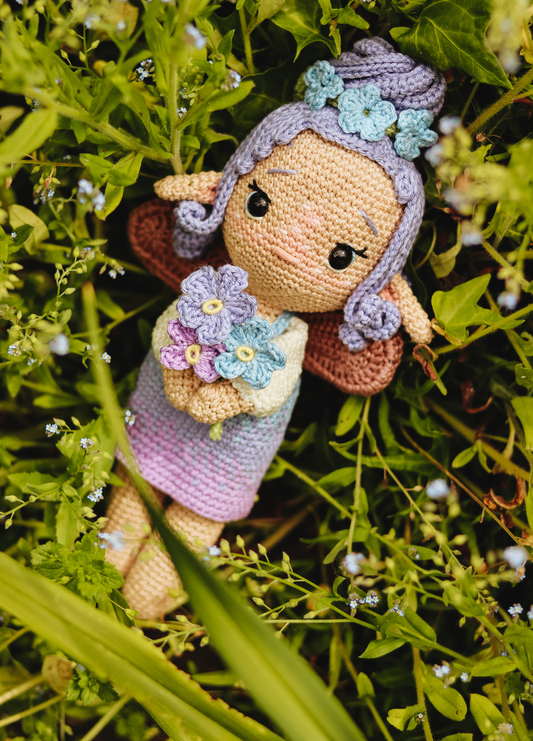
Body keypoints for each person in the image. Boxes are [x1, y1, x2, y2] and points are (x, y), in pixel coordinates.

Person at [104, 37, 446, 618]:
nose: (290, 246)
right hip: (163, 409)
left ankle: (134, 615)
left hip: (231, 443)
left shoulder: (290, 334)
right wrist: (179, 370)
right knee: (131, 492)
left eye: (340, 256)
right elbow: (172, 329)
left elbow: (273, 383)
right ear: (228, 187)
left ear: (378, 282)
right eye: (259, 204)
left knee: (195, 522)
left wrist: (230, 395)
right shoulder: (208, 290)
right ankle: (96, 584)